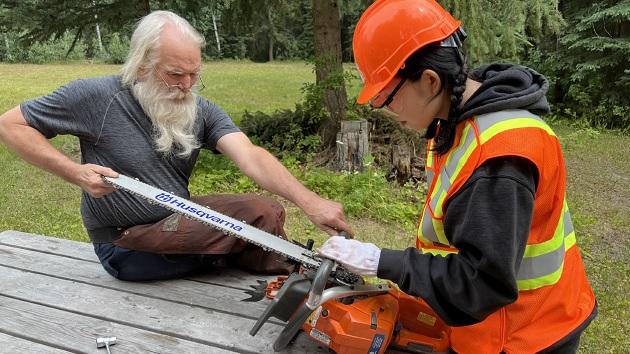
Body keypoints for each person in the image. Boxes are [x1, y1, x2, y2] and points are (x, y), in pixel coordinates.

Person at [318, 1, 597, 353]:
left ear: (430, 81)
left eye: (387, 99)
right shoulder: (456, 120)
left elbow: (482, 284)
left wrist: (382, 261)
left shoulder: (499, 157)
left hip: (524, 334)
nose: (386, 112)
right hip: (485, 324)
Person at [0, 10, 352, 281]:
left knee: (264, 211)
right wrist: (75, 172)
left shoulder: (199, 109)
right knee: (251, 228)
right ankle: (276, 262)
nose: (186, 85)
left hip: (178, 223)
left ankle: (298, 267)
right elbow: (10, 124)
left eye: (194, 74)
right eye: (175, 74)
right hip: (125, 244)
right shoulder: (97, 97)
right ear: (142, 64)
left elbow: (251, 156)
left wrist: (311, 201)